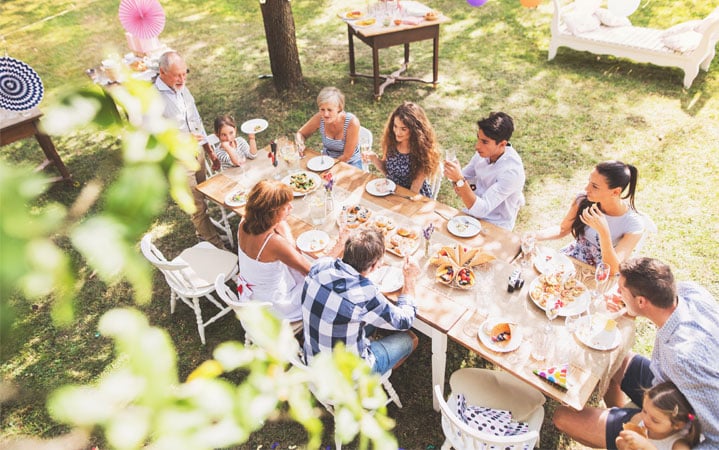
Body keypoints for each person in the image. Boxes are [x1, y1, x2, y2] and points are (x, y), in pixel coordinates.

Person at [553, 257, 719, 450]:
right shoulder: (691, 292)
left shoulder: (683, 359)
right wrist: (629, 308)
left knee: (562, 417)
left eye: (621, 290)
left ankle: (625, 436)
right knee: (613, 357)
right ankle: (622, 415)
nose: (617, 293)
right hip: (666, 385)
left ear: (641, 301)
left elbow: (715, 440)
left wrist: (648, 447)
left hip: (676, 422)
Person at [301, 228, 420, 374]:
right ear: (375, 266)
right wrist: (410, 278)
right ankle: (379, 370)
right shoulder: (365, 294)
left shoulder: (318, 267)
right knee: (410, 338)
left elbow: (328, 259)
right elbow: (405, 321)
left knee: (364, 319)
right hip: (344, 381)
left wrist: (340, 242)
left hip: (312, 364)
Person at [237, 180, 347, 322]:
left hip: (255, 294)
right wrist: (341, 243)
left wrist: (281, 224)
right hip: (275, 306)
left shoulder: (245, 221)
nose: (291, 207)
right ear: (272, 212)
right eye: (285, 206)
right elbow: (315, 272)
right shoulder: (273, 243)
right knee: (329, 282)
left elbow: (285, 239)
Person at [154, 51, 225, 249]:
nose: (182, 79)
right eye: (177, 75)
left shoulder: (183, 89)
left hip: (197, 153)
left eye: (185, 73)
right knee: (197, 206)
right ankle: (215, 244)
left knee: (204, 194)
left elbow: (196, 121)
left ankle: (204, 230)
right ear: (162, 72)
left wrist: (209, 150)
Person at [535, 160, 644, 274]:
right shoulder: (584, 200)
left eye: (595, 186)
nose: (586, 188)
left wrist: (603, 232)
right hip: (571, 260)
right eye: (589, 182)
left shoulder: (633, 224)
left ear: (616, 192)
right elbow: (562, 229)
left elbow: (613, 269)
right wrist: (534, 236)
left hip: (600, 274)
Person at [443, 111, 525, 230]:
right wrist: (456, 179)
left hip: (496, 226)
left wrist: (460, 181)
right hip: (472, 214)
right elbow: (463, 177)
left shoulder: (512, 172)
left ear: (502, 144)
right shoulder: (483, 153)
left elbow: (481, 209)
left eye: (485, 142)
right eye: (478, 139)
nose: (477, 146)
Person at [363, 101, 441, 198]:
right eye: (395, 126)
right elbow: (388, 172)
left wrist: (397, 199)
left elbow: (415, 188)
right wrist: (374, 159)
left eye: (403, 129)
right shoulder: (391, 142)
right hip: (391, 191)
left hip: (412, 196)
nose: (397, 132)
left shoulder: (422, 151)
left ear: (415, 130)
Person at [616, 381, 700, 450]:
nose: (645, 420)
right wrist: (622, 444)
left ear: (677, 425)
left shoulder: (678, 444)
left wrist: (646, 446)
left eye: (655, 420)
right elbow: (620, 438)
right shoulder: (638, 420)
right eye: (644, 411)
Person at [295, 86, 362, 168]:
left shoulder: (352, 122)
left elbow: (346, 156)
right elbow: (301, 133)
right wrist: (300, 143)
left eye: (329, 110)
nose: (325, 114)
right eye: (322, 109)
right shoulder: (319, 118)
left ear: (339, 108)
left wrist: (327, 167)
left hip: (350, 163)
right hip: (326, 160)